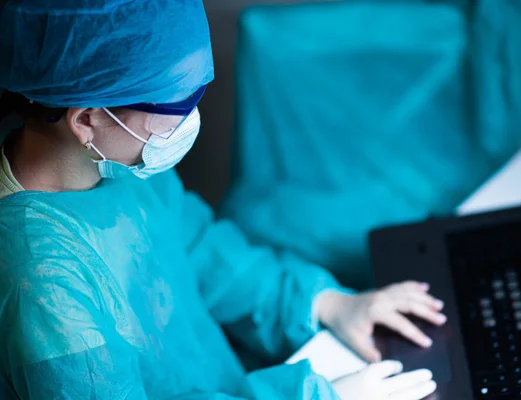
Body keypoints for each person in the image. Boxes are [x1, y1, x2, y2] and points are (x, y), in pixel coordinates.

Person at [0, 1, 446, 399]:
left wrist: (321, 303)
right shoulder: (40, 288)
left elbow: (201, 250)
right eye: (176, 109)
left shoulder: (117, 162)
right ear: (87, 119)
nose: (190, 121)